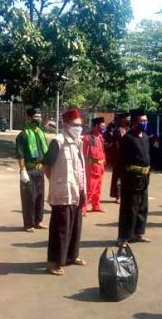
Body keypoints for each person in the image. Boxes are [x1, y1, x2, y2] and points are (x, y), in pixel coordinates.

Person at [42, 109, 87, 276]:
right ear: (65, 125)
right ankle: (54, 262)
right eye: (75, 125)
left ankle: (71, 256)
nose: (78, 128)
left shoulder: (78, 142)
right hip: (63, 191)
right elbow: (46, 165)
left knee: (75, 226)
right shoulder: (58, 141)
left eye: (80, 125)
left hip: (78, 190)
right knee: (60, 228)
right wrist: (55, 181)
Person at [117, 109, 151, 246]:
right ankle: (123, 237)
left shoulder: (145, 137)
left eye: (146, 120)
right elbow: (121, 161)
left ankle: (138, 233)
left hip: (144, 176)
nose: (144, 123)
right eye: (142, 121)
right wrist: (122, 179)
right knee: (129, 208)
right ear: (135, 122)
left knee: (142, 206)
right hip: (131, 178)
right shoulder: (128, 138)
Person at [15, 108, 49, 232]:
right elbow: (20, 154)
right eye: (36, 116)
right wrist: (22, 170)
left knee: (39, 197)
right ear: (29, 118)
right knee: (29, 198)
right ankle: (28, 224)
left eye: (40, 116)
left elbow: (44, 151)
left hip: (40, 170)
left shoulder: (40, 133)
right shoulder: (23, 134)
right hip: (28, 170)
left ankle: (38, 221)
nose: (38, 118)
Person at [82, 117, 107, 214]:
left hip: (100, 166)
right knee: (89, 188)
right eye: (102, 126)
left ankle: (96, 205)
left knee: (98, 188)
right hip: (91, 167)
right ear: (96, 126)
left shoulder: (100, 137)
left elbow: (103, 151)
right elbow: (84, 153)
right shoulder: (87, 138)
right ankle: (83, 208)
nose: (103, 128)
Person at [107, 114, 130, 203]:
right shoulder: (117, 130)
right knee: (118, 178)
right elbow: (114, 145)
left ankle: (125, 195)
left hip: (127, 158)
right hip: (118, 158)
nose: (128, 120)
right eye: (126, 119)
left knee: (126, 178)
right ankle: (118, 196)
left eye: (129, 119)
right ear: (122, 120)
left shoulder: (129, 130)